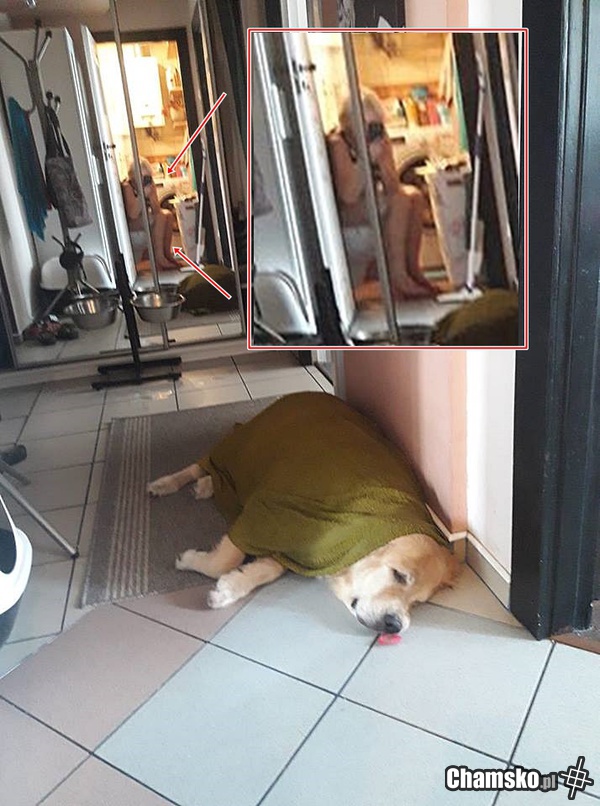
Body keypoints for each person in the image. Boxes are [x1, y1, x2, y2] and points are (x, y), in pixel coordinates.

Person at [327, 88, 437, 304]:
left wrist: (383, 157)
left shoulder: (380, 141)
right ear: (349, 124)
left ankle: (412, 269)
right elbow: (348, 195)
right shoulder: (338, 143)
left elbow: (393, 188)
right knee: (402, 200)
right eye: (364, 125)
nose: (369, 131)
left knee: (414, 196)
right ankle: (398, 275)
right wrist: (365, 158)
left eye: (374, 125)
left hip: (371, 203)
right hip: (346, 213)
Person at [121, 158, 179, 270]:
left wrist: (151, 194)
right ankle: (159, 258)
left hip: (144, 219)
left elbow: (157, 210)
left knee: (168, 214)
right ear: (133, 177)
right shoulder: (127, 187)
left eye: (146, 177)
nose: (143, 180)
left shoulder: (149, 186)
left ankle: (166, 254)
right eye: (140, 177)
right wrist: (142, 195)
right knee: (161, 216)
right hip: (131, 223)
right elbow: (132, 214)